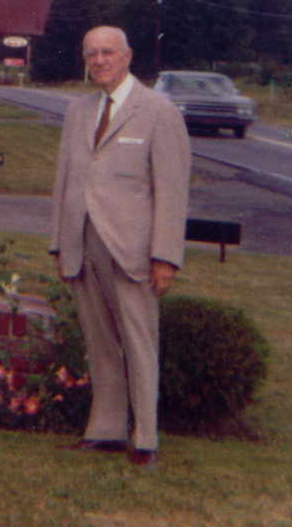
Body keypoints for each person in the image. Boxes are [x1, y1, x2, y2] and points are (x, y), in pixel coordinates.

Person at [49, 26, 190, 468]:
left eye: (107, 52)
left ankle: (145, 439)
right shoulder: (78, 111)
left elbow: (172, 190)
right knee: (100, 342)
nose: (99, 60)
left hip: (133, 249)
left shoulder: (159, 112)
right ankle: (106, 430)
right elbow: (64, 179)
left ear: (127, 56)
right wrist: (59, 242)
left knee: (139, 341)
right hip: (83, 240)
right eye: (91, 53)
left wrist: (165, 255)